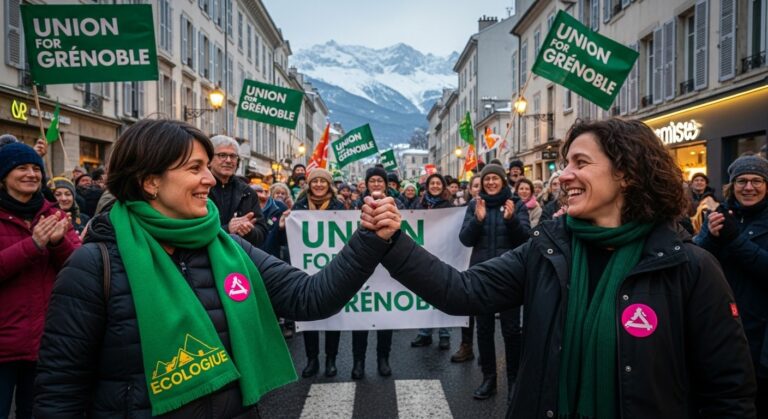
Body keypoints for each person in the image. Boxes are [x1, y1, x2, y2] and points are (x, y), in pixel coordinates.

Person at [362, 119, 757, 418]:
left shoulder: (691, 267)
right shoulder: (546, 251)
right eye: (566, 163)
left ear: (628, 174)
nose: (563, 174)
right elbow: (462, 290)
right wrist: (394, 241)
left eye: (580, 162)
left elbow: (729, 393)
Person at [32, 119, 398, 418]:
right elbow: (59, 392)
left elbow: (311, 298)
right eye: (195, 168)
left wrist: (369, 239)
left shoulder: (228, 248)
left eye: (208, 167)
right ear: (150, 181)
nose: (209, 179)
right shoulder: (94, 266)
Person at [0, 143, 80, 419]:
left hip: (44, 343)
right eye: (22, 168)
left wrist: (58, 244)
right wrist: (32, 246)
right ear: (4, 175)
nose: (31, 174)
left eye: (36, 168)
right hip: (3, 342)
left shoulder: (53, 214)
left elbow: (79, 267)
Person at [695, 155, 768, 416]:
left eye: (757, 180)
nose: (749, 187)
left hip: (759, 331)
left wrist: (735, 240)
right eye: (742, 181)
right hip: (720, 324)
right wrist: (711, 237)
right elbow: (692, 262)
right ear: (732, 185)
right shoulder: (719, 215)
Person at [459, 163, 529, 401]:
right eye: (486, 179)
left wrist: (511, 220)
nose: (490, 183)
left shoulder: (516, 204)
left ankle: (515, 382)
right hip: (481, 275)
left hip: (510, 276)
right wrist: (477, 220)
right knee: (484, 330)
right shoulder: (474, 205)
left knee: (511, 331)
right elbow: (465, 240)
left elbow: (525, 240)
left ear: (502, 181)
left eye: (494, 179)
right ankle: (488, 379)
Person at [292, 168, 347, 378]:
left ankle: (331, 359)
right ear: (309, 184)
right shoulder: (299, 206)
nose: (318, 185)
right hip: (306, 268)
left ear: (329, 185)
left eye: (322, 182)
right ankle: (311, 359)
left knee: (333, 315)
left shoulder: (339, 207)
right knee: (308, 313)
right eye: (314, 181)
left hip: (332, 267)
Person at [350, 166, 403, 379]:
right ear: (367, 183)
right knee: (360, 317)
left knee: (384, 316)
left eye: (380, 181)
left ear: (386, 184)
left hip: (385, 266)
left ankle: (383, 359)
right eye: (372, 181)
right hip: (362, 265)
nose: (376, 184)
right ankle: (358, 361)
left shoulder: (395, 205)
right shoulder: (355, 205)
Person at [410, 173, 454, 350]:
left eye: (438, 183)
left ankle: (445, 334)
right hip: (423, 254)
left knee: (444, 293)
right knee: (425, 294)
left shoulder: (449, 206)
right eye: (432, 183)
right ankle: (424, 333)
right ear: (427, 186)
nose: (435, 186)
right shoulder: (419, 205)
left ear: (443, 186)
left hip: (444, 253)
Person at [209, 135, 268, 247]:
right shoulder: (200, 188)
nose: (228, 160)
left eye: (233, 156)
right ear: (210, 159)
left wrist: (249, 231)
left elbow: (262, 234)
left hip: (240, 257)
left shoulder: (248, 192)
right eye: (222, 155)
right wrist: (227, 229)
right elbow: (192, 230)